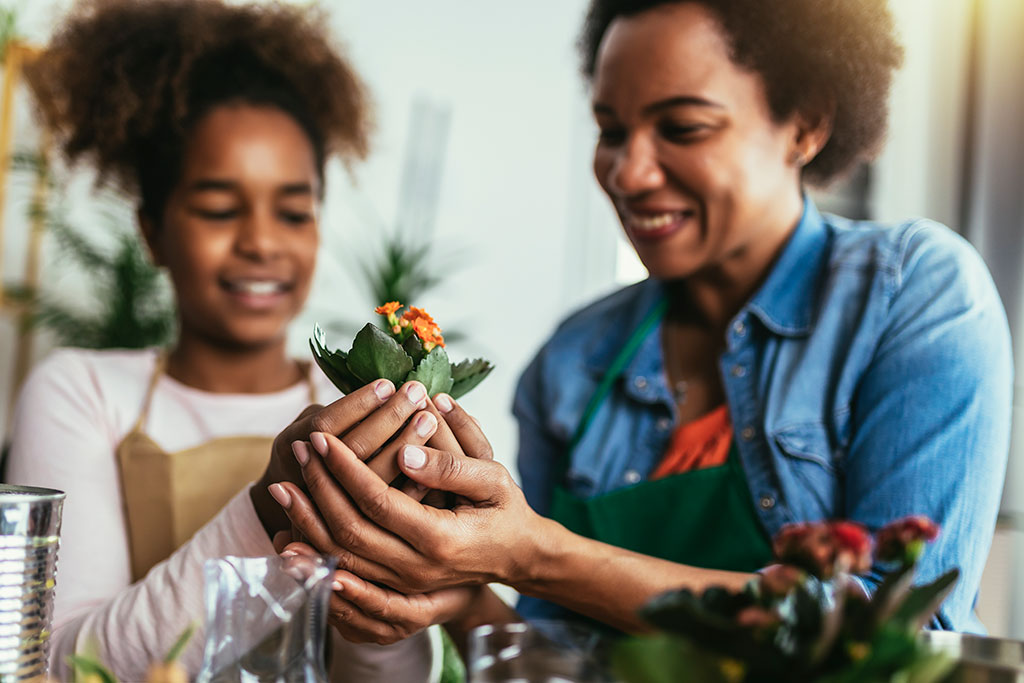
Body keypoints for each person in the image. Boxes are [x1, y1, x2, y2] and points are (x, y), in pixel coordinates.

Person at [270, 0, 1012, 643]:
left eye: (681, 128)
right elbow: (556, 655)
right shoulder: (574, 361)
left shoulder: (912, 293)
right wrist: (449, 583)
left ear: (806, 124)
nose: (628, 172)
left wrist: (532, 553)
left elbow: (899, 634)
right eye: (611, 130)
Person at [6, 1, 443, 679]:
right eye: (217, 208)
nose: (262, 242)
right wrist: (271, 504)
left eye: (294, 211)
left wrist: (390, 580)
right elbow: (59, 666)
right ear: (152, 230)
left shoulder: (367, 412)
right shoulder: (81, 392)